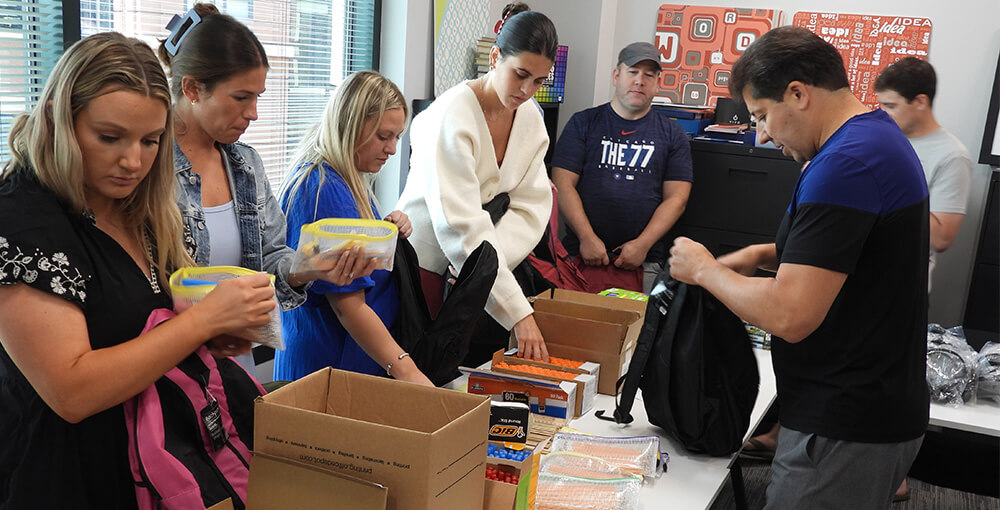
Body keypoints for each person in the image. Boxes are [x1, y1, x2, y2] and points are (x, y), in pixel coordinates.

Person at [0, 32, 276, 508]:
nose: (133, 161)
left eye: (151, 141)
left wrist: (214, 337)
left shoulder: (146, 209)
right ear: (59, 122)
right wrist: (200, 323)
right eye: (109, 138)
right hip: (68, 477)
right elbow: (73, 390)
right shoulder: (22, 221)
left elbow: (151, 328)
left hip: (161, 466)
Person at [667, 26, 929, 509]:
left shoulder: (845, 166)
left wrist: (704, 269)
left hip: (845, 424)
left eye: (763, 116)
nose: (762, 134)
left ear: (798, 93)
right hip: (869, 406)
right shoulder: (871, 138)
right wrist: (762, 254)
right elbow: (850, 250)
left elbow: (790, 314)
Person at [160, 3, 373, 377]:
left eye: (258, 97)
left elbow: (271, 259)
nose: (254, 113)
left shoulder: (246, 166)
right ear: (192, 88)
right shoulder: (150, 170)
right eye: (242, 98)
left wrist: (310, 268)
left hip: (232, 372)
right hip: (170, 371)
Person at [397, 3, 556, 363]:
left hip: (484, 264)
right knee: (427, 370)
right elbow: (460, 224)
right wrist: (518, 312)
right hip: (427, 262)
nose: (528, 89)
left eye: (539, 80)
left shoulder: (530, 118)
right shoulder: (451, 115)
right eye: (520, 74)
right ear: (495, 56)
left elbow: (532, 207)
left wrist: (486, 269)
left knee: (469, 370)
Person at [275, 71, 432, 385]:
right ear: (349, 125)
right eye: (383, 136)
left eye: (397, 137)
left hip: (336, 359)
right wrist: (407, 370)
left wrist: (385, 231)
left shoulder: (339, 179)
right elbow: (348, 305)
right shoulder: (324, 189)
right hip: (332, 363)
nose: (392, 149)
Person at [551, 41, 693, 293]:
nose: (640, 81)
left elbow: (676, 199)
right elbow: (562, 184)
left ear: (659, 82)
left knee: (637, 331)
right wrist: (587, 238)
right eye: (633, 72)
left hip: (645, 262)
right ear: (617, 75)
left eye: (649, 75)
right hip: (580, 255)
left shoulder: (673, 134)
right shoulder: (583, 123)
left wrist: (642, 245)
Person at [875, 57, 973, 291]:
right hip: (857, 272)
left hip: (900, 285)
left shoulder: (952, 156)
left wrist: (891, 183)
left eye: (891, 106)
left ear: (920, 101)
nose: (884, 114)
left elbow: (941, 239)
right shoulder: (882, 139)